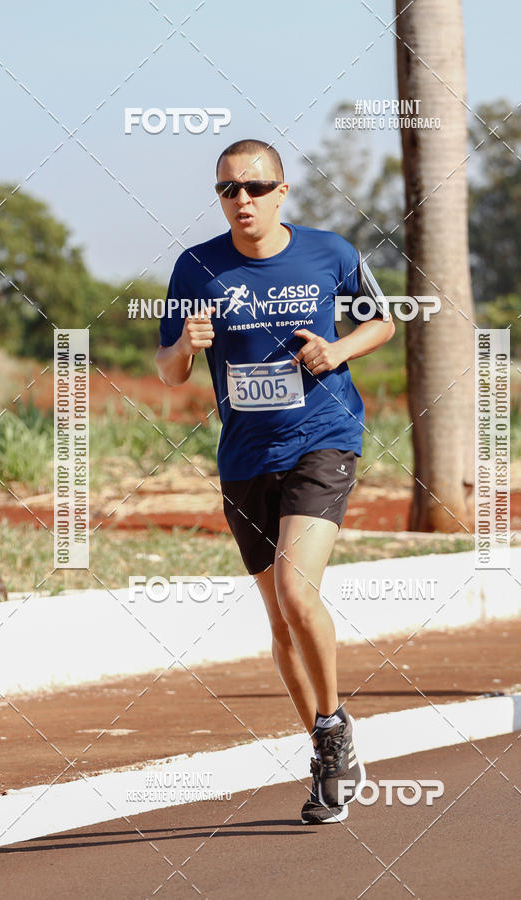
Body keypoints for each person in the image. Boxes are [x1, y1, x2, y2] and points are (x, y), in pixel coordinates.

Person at [156, 138, 395, 824]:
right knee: (281, 621)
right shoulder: (197, 266)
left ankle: (333, 726)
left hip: (323, 439)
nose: (243, 200)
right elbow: (169, 372)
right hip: (245, 458)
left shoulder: (330, 252)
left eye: (256, 187)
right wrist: (185, 346)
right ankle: (326, 751)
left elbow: (382, 322)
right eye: (228, 189)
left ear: (282, 191)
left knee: (296, 589)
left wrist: (336, 350)